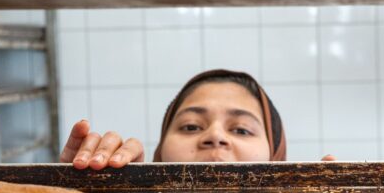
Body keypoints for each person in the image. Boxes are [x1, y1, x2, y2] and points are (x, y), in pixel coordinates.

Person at [60, 69, 334, 168]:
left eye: (241, 130)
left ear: (275, 156)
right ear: (161, 152)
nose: (215, 136)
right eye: (191, 126)